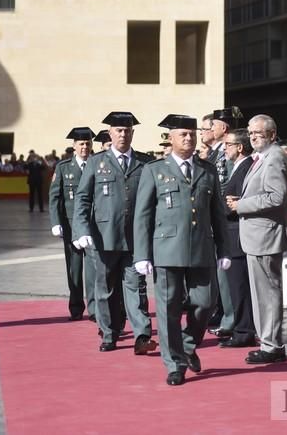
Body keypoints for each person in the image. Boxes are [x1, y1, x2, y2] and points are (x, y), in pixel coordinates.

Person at [134, 114, 230, 386]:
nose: (188, 138)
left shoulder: (207, 170)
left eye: (191, 134)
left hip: (201, 248)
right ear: (171, 138)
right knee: (168, 308)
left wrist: (224, 249)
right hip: (167, 249)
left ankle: (187, 344)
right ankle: (175, 364)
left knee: (206, 302)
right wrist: (142, 255)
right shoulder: (154, 170)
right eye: (182, 135)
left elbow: (217, 214)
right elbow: (142, 215)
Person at [73, 111, 156, 355]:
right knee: (106, 289)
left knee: (136, 288)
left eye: (127, 130)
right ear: (110, 134)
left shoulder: (145, 162)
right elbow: (83, 198)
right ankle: (109, 333)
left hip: (135, 239)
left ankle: (142, 335)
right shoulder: (96, 162)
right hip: (104, 237)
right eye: (118, 130)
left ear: (133, 133)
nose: (123, 134)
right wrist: (81, 229)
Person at [228, 114, 287, 364]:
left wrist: (241, 205)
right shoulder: (262, 158)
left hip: (266, 235)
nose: (253, 136)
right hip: (257, 235)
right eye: (251, 132)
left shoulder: (274, 158)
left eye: (259, 133)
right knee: (261, 294)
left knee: (267, 294)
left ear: (272, 135)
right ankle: (268, 342)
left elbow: (276, 197)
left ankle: (272, 345)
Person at [50, 127, 98, 321]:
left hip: (93, 225)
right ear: (74, 146)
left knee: (93, 270)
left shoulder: (97, 164)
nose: (84, 147)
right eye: (81, 144)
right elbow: (55, 197)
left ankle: (95, 310)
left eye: (87, 144)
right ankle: (76, 307)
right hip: (71, 226)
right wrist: (56, 222)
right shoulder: (63, 167)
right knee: (74, 269)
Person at [206, 106, 242, 339]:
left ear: (224, 128)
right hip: (215, 216)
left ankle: (230, 318)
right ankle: (223, 313)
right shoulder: (215, 153)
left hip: (227, 218)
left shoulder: (226, 153)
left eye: (212, 126)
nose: (209, 130)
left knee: (226, 273)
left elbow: (230, 184)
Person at [219, 128, 256, 348]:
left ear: (240, 147)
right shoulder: (238, 167)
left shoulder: (244, 167)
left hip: (237, 235)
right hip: (233, 234)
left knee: (239, 286)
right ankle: (242, 328)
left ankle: (244, 331)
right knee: (236, 286)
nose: (225, 149)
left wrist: (219, 206)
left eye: (228, 145)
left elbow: (235, 201)